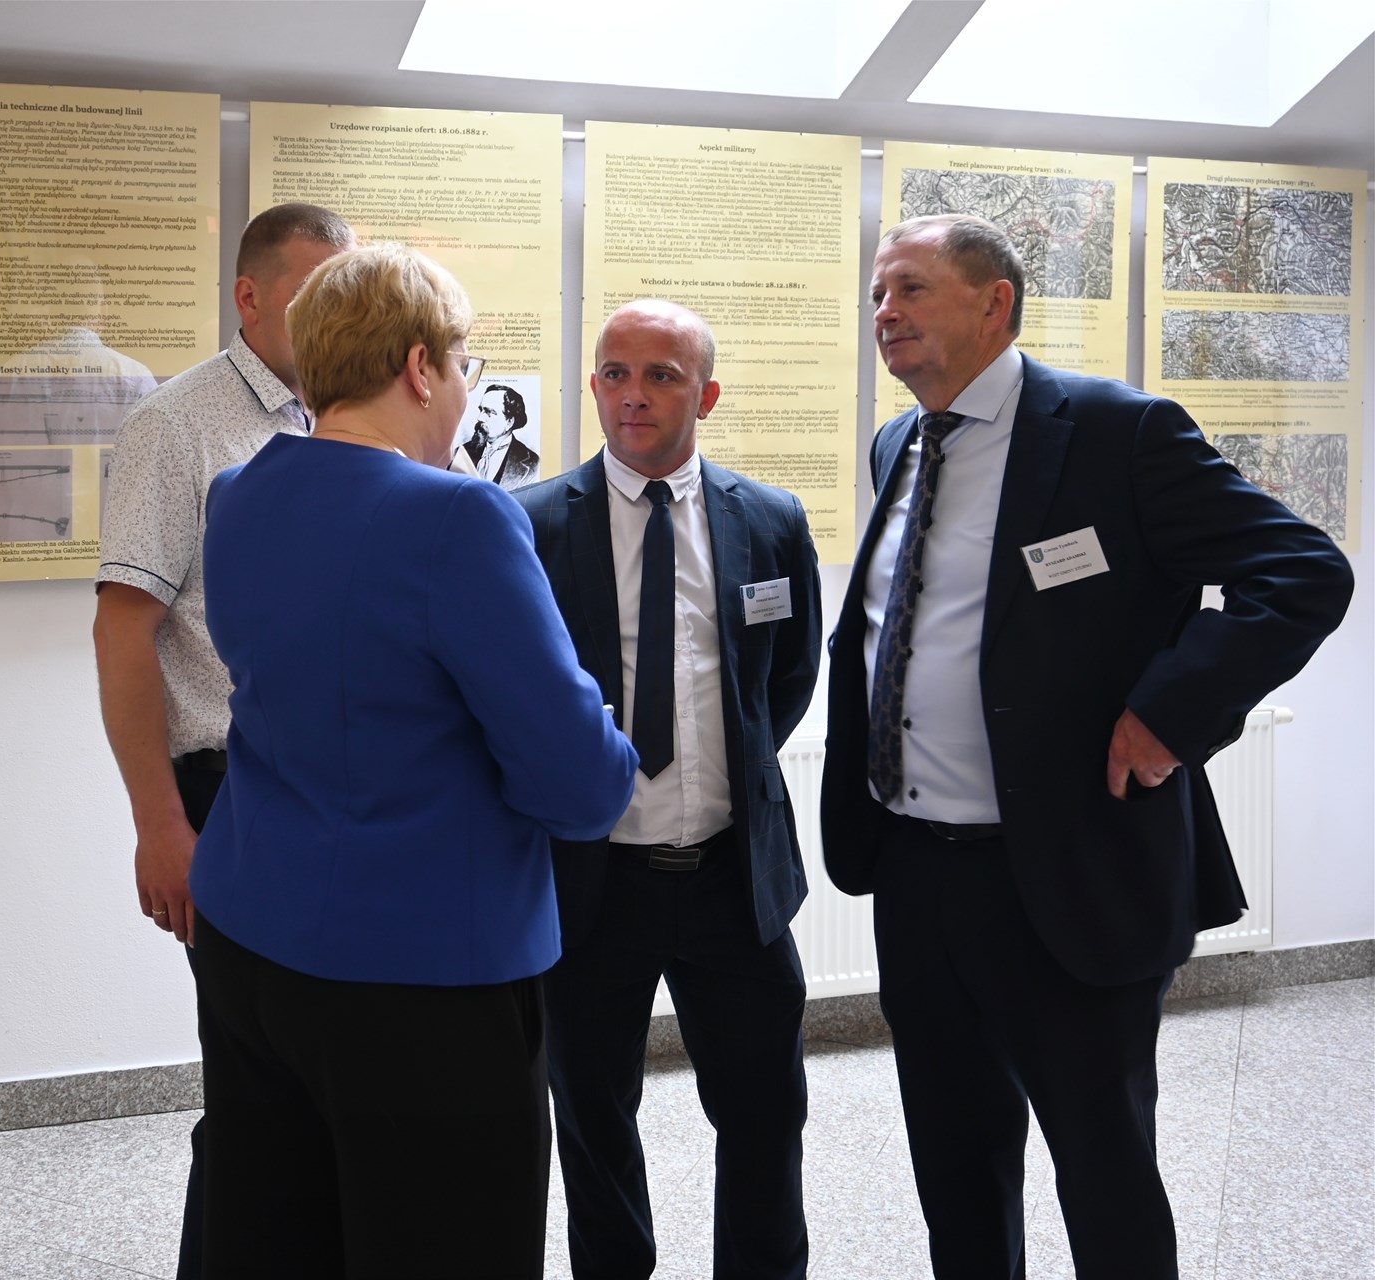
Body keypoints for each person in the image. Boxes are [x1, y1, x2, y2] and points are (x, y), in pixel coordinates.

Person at [822, 213, 1354, 1279]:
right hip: (918, 873)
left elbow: (1302, 572)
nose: (885, 313)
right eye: (878, 294)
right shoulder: (899, 443)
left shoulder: (1119, 433)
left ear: (995, 303)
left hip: (1069, 871)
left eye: (911, 288)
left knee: (1104, 1170)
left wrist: (1170, 714)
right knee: (956, 1166)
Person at [189, 243, 638, 1277]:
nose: (469, 388)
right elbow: (580, 785)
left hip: (254, 941)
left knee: (278, 1242)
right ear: (420, 366)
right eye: (466, 363)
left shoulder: (238, 494)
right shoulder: (457, 517)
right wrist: (601, 724)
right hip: (421, 977)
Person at [511, 299, 822, 1280]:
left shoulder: (768, 520)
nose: (633, 395)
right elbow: (515, 697)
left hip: (733, 876)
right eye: (615, 372)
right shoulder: (531, 524)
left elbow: (786, 679)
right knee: (592, 1112)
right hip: (591, 880)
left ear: (707, 395)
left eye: (661, 375)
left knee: (766, 1108)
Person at [92, 201, 354, 1279]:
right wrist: (160, 823)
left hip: (336, 800)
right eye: (315, 293)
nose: (339, 314)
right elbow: (123, 629)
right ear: (249, 297)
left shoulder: (352, 416)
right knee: (255, 1100)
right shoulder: (180, 426)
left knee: (325, 1089)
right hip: (228, 793)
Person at [454, 381, 540, 488]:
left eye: (489, 412)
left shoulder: (532, 463)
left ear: (509, 422)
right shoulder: (459, 453)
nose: (480, 418)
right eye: (481, 410)